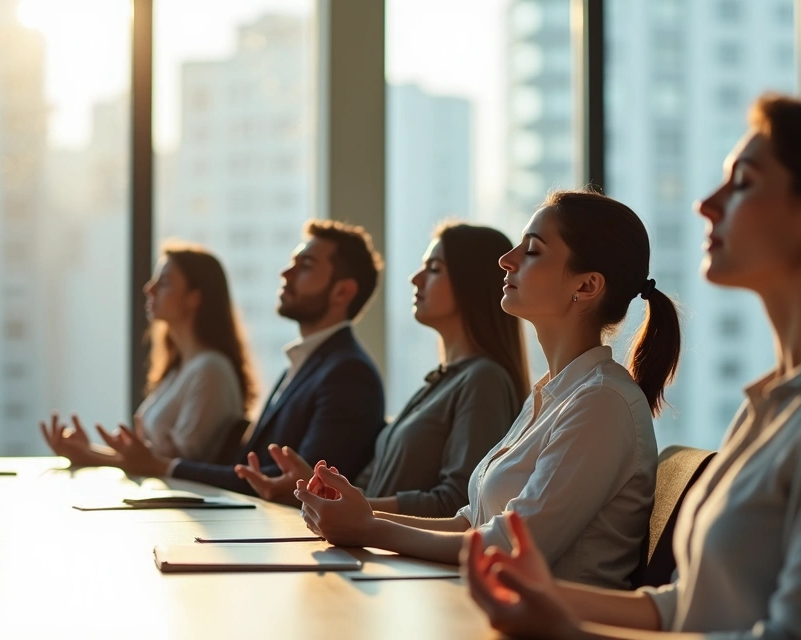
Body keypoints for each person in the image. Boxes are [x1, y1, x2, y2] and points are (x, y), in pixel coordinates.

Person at [460, 94, 801, 640]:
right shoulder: (778, 403)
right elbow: (689, 608)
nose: (705, 204)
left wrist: (572, 633)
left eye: (744, 183)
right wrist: (538, 595)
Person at [295, 191, 682, 589]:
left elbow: (514, 546)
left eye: (531, 250)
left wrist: (370, 531)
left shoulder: (602, 403)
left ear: (586, 285)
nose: (506, 259)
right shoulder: (555, 394)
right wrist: (362, 516)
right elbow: (471, 522)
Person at [43, 220, 387, 496]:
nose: (286, 273)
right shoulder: (305, 365)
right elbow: (250, 471)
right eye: (291, 263)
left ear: (343, 291)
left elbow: (307, 485)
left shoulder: (347, 373)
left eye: (305, 266)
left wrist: (161, 466)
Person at [235, 223, 530, 518]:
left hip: (409, 562)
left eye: (435, 269)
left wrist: (349, 508)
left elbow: (460, 504)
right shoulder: (438, 382)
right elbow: (372, 490)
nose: (416, 279)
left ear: (472, 282)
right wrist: (315, 493)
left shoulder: (484, 379)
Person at [40, 243, 255, 465]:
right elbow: (152, 462)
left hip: (184, 499)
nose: (149, 289)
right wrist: (87, 452)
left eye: (164, 282)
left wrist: (92, 456)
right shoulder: (180, 369)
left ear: (194, 297)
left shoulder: (211, 370)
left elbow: (180, 466)